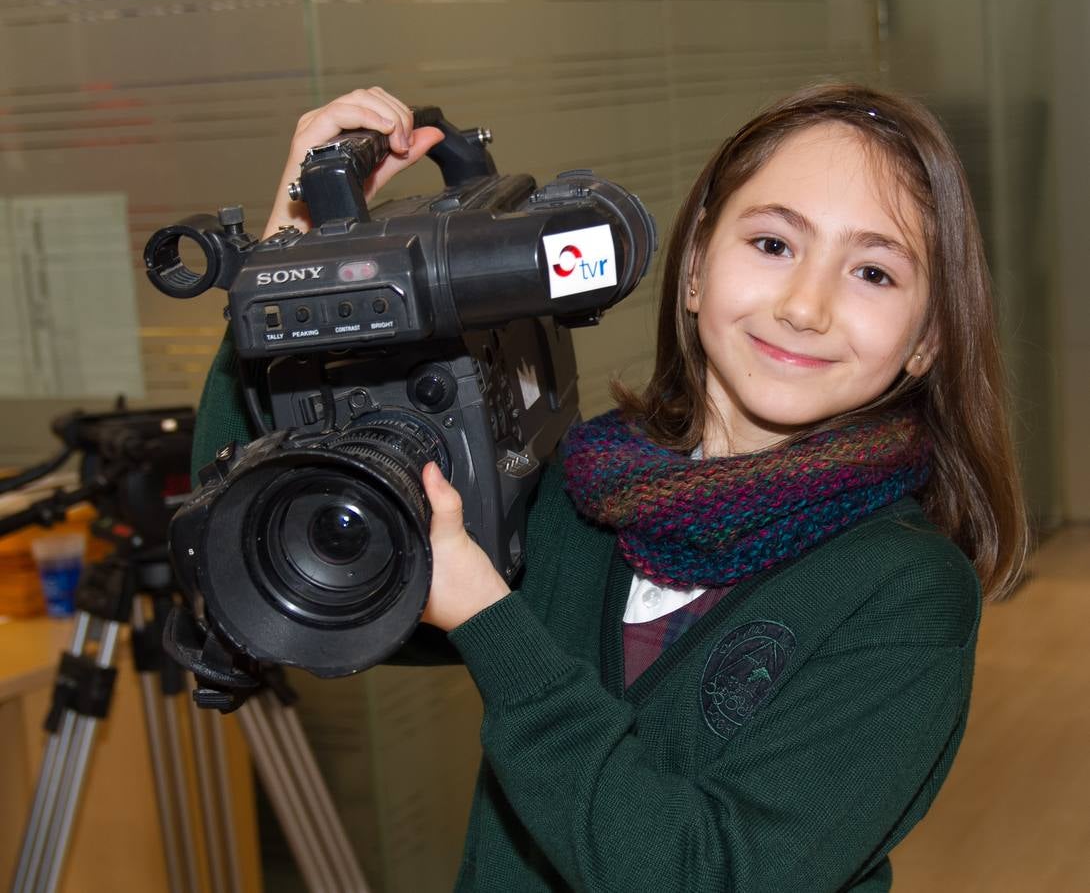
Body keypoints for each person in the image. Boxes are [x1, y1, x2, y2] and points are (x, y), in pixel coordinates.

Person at [194, 84, 1028, 891]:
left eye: (874, 273)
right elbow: (255, 556)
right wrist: (284, 269)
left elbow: (704, 874)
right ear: (696, 266)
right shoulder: (573, 497)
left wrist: (492, 620)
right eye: (773, 245)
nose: (806, 306)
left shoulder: (904, 593)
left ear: (927, 340)